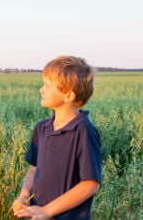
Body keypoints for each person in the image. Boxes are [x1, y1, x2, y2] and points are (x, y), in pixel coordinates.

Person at [11, 55, 102, 219]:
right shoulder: (42, 128)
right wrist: (23, 197)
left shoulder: (83, 131)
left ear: (69, 95)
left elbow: (90, 184)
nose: (41, 89)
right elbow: (33, 169)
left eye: (47, 85)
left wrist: (48, 211)